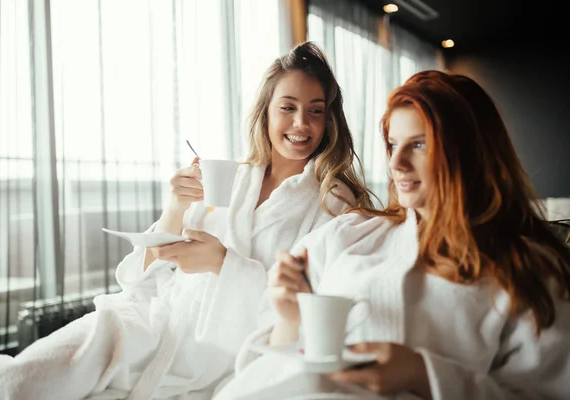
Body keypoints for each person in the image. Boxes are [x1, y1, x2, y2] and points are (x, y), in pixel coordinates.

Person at [0, 42, 377, 400]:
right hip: (146, 322)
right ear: (266, 113)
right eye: (287, 108)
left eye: (315, 112)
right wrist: (175, 208)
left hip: (216, 355)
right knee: (18, 379)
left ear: (329, 122)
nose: (301, 124)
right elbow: (137, 277)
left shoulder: (333, 206)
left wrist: (224, 265)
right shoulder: (230, 179)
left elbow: (311, 310)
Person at [213, 70, 570, 400]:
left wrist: (424, 375)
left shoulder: (529, 270)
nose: (396, 163)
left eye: (419, 145)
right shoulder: (350, 232)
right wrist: (291, 319)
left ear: (471, 151)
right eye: (392, 145)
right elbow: (263, 365)